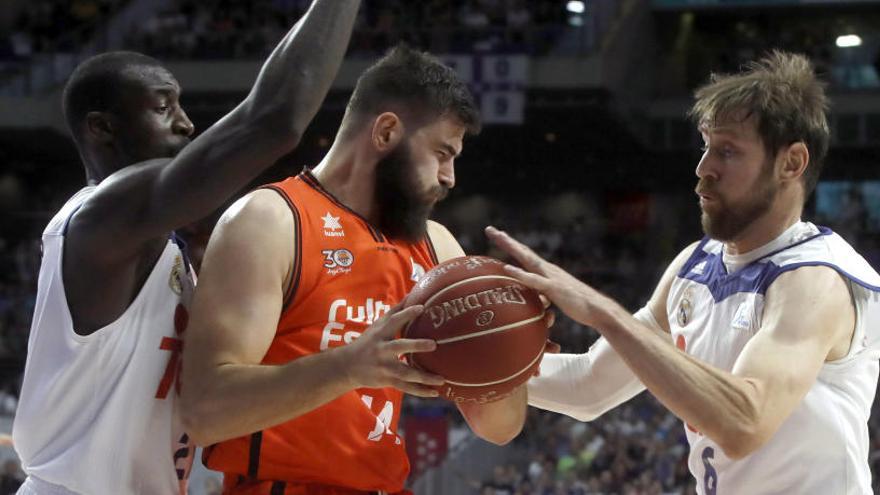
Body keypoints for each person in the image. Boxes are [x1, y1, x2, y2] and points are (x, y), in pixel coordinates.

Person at [487, 50, 880, 494]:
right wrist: (470, 361)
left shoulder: (816, 279)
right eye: (706, 146)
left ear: (791, 163)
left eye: (727, 151)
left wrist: (603, 314)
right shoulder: (694, 265)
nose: (703, 169)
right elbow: (588, 385)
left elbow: (745, 422)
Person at [11, 2, 361, 494]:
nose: (186, 124)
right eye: (162, 107)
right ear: (102, 128)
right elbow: (273, 121)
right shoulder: (99, 218)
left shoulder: (160, 246)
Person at [180, 45, 539, 495]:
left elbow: (497, 426)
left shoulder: (435, 244)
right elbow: (203, 412)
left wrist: (513, 352)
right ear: (387, 131)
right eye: (442, 153)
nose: (450, 177)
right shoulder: (270, 220)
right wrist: (346, 368)